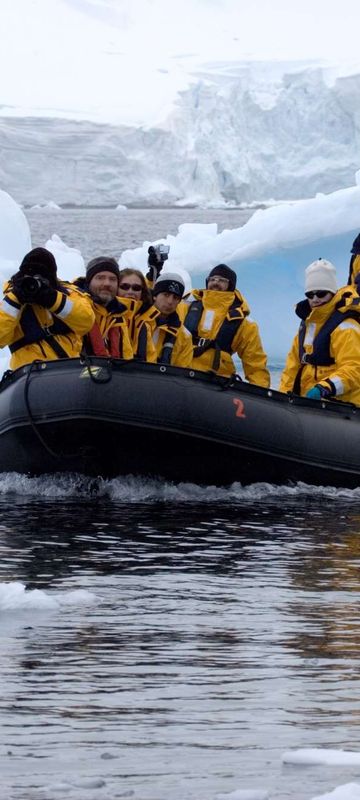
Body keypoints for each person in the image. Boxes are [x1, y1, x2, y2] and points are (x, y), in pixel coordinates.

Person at [279, 258, 360, 404]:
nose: (315, 299)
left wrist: (325, 388)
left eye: (321, 293)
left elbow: (354, 368)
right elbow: (292, 368)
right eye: (310, 294)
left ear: (332, 293)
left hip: (340, 405)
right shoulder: (307, 325)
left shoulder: (346, 327)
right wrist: (283, 398)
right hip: (310, 405)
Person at [0, 247, 95, 369]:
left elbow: (86, 321)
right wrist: (16, 298)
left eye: (41, 277)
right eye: (29, 276)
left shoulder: (69, 294)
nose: (34, 282)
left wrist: (52, 298)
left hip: (69, 371)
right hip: (30, 375)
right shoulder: (11, 298)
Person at [180, 263, 270, 384]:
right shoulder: (185, 307)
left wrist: (261, 396)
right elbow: (154, 306)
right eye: (212, 279)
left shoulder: (243, 323)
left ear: (231, 285)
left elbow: (255, 365)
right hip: (181, 374)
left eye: (222, 280)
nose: (215, 283)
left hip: (216, 382)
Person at [75, 256, 134, 359]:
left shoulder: (118, 316)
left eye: (112, 279)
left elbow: (127, 358)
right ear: (88, 282)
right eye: (100, 278)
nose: (107, 283)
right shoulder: (74, 309)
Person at [144, 272, 193, 367]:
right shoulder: (136, 321)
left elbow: (182, 375)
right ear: (155, 295)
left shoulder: (185, 336)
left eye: (175, 297)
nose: (170, 301)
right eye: (166, 295)